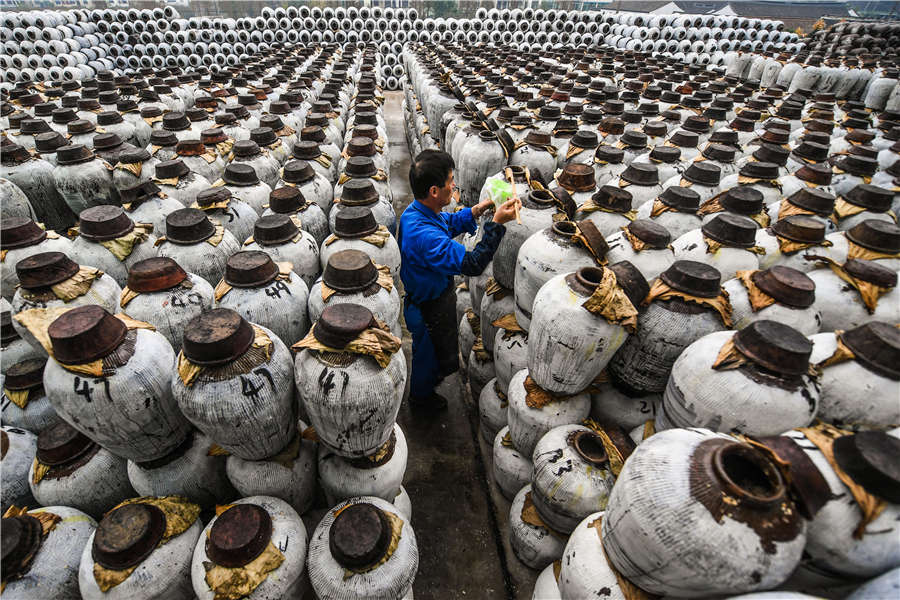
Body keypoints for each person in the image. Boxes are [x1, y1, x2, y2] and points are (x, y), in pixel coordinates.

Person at [398, 149, 521, 411]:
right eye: (450, 180)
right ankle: (421, 399)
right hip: (428, 308)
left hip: (432, 298)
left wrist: (476, 210)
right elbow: (473, 263)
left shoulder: (417, 212)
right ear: (434, 191)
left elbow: (447, 221)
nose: (454, 185)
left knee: (436, 352)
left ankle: (429, 384)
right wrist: (496, 224)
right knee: (428, 358)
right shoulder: (425, 237)